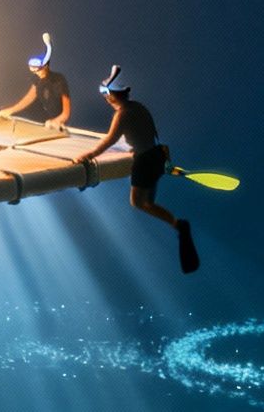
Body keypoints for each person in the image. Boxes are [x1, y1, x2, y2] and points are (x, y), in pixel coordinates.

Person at [75, 66, 199, 274]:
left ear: (114, 94)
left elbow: (110, 140)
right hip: (157, 156)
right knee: (148, 202)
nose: (105, 97)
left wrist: (88, 155)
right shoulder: (139, 106)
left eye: (106, 92)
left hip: (144, 161)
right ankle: (177, 225)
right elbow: (149, 132)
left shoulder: (122, 114)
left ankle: (178, 225)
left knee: (138, 202)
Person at [0, 32, 71, 128]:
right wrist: (10, 110)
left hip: (58, 125)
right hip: (44, 122)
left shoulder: (59, 80)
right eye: (33, 70)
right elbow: (28, 98)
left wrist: (56, 121)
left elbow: (66, 113)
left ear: (45, 66)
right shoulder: (37, 80)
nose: (37, 73)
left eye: (38, 70)